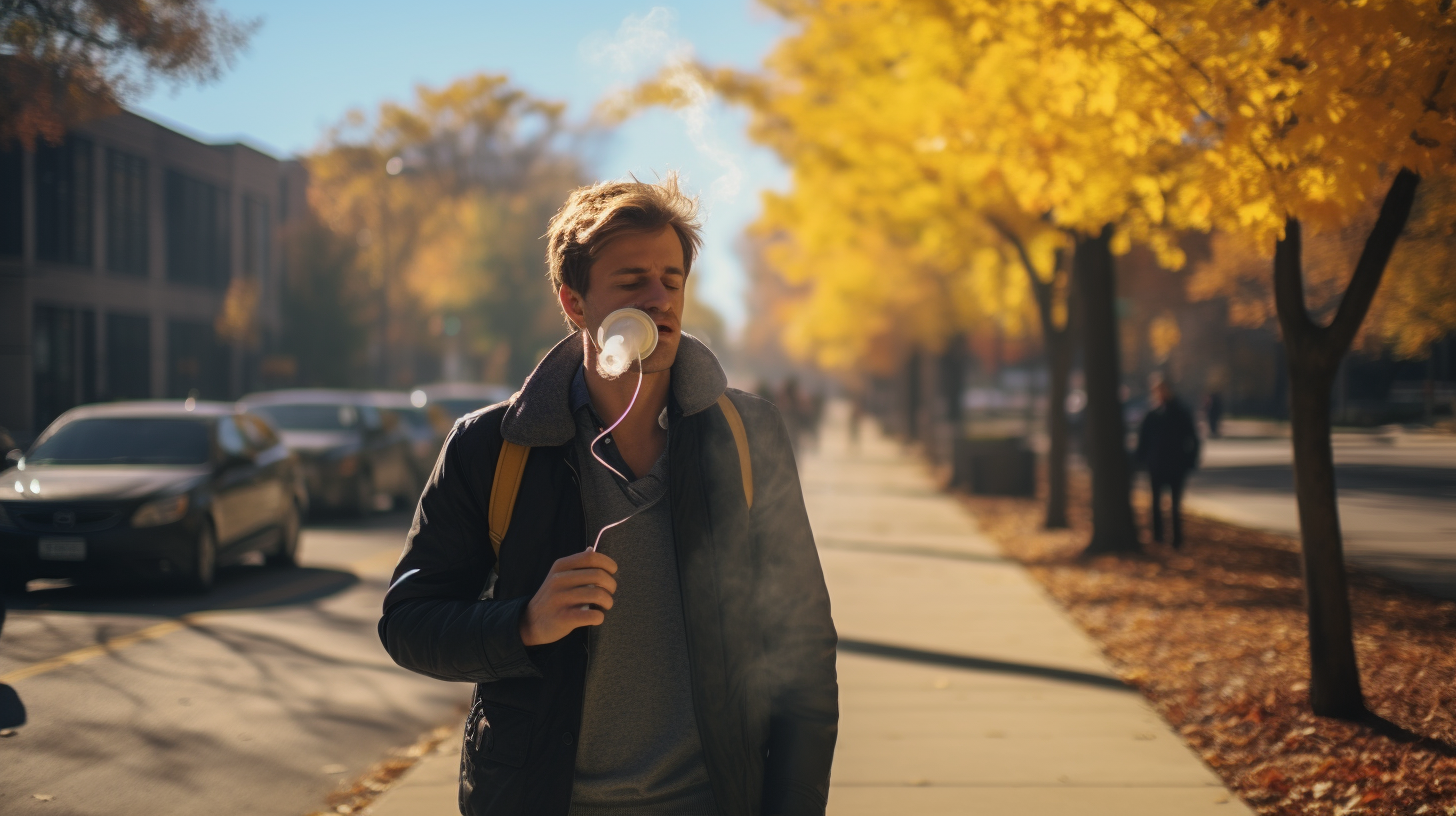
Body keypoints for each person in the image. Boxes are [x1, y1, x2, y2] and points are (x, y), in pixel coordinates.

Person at [378, 175, 838, 816]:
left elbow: (803, 648)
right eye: (632, 283)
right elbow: (408, 623)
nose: (661, 301)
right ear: (574, 303)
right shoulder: (492, 446)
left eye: (673, 281)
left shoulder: (745, 434)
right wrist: (524, 622)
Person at [1135, 377, 1200, 549]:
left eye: (1163, 389)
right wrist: (1141, 462)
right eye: (1157, 389)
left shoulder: (1181, 412)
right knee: (1155, 503)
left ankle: (1177, 539)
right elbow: (1143, 442)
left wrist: (1189, 462)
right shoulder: (1152, 415)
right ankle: (1158, 537)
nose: (1161, 393)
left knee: (1175, 505)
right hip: (1156, 466)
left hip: (1176, 467)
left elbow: (1193, 439)